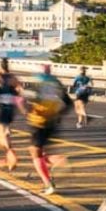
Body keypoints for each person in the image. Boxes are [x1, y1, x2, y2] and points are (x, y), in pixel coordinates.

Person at [22, 65, 72, 195]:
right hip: (52, 123)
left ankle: (48, 183)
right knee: (40, 152)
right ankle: (54, 166)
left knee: (35, 153)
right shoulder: (57, 85)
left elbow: (32, 101)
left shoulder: (41, 86)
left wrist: (24, 104)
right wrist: (59, 114)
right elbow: (69, 103)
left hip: (38, 123)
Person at [0, 58, 25, 173]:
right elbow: (20, 90)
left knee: (1, 134)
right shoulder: (13, 78)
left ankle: (12, 157)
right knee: (2, 133)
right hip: (9, 108)